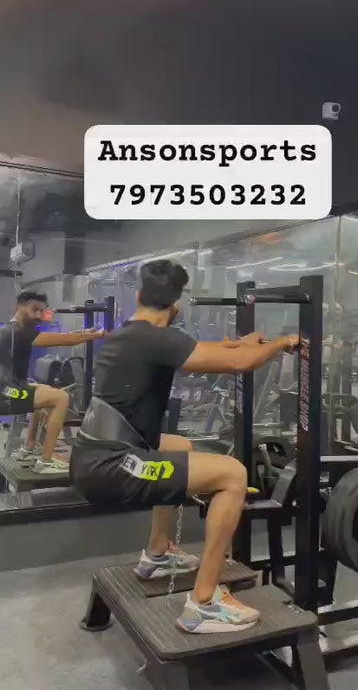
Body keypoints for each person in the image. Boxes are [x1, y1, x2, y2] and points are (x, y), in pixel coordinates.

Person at [70, 260, 298, 634]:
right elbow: (241, 364)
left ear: (140, 297)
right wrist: (284, 342)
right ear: (176, 307)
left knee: (180, 446)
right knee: (233, 475)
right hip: (113, 467)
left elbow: (197, 353)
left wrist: (240, 343)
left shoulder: (131, 334)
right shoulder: (158, 339)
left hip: (94, 454)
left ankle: (158, 551)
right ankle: (204, 603)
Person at [0, 290, 105, 474]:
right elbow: (68, 340)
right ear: (19, 307)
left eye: (42, 311)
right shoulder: (20, 332)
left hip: (8, 389)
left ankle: (29, 447)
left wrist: (85, 332)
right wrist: (98, 334)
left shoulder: (12, 328)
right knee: (61, 398)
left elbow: (66, 336)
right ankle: (45, 461)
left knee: (43, 390)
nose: (39, 315)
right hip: (7, 395)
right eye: (34, 310)